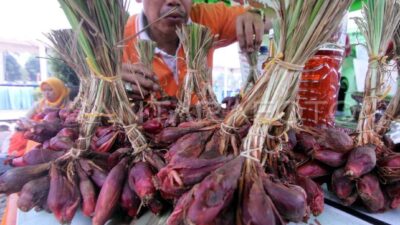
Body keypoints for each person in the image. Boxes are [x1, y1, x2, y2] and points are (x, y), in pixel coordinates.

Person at [122, 0, 268, 101]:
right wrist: (111, 83)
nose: (174, 1)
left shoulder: (206, 18)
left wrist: (254, 15)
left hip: (203, 132)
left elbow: (268, 22)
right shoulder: (117, 40)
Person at [7, 77, 70, 157]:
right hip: (35, 130)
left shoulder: (69, 106)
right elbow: (26, 117)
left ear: (59, 90)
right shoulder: (40, 104)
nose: (47, 93)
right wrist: (25, 123)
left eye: (50, 90)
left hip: (55, 133)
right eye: (44, 90)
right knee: (20, 134)